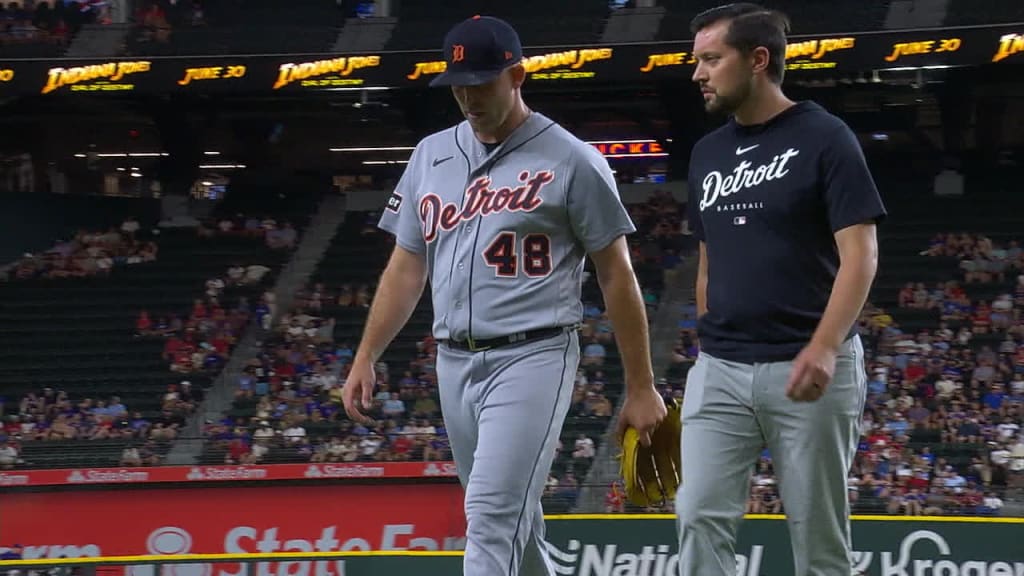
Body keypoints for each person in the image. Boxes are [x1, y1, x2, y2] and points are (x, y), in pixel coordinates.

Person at [341, 15, 666, 576]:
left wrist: (640, 385)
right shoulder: (431, 154)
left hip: (533, 355)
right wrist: (366, 354)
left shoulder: (573, 160)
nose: (468, 95)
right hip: (452, 361)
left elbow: (616, 274)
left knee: (490, 518)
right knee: (518, 522)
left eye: (482, 81)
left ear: (518, 75)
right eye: (458, 84)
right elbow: (406, 265)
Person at [679, 3, 886, 575]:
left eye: (711, 60)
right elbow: (707, 259)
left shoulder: (825, 137)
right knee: (696, 515)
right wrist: (707, 343)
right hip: (721, 368)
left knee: (817, 536)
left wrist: (824, 345)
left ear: (758, 59)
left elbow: (861, 254)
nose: (697, 73)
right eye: (697, 61)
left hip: (810, 365)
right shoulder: (707, 152)